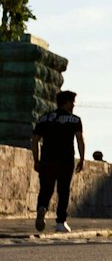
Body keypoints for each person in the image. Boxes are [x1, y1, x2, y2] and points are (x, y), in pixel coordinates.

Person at [31, 89, 85, 233]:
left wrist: (36, 160)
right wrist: (82, 158)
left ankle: (42, 207)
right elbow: (79, 139)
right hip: (66, 160)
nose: (74, 105)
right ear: (67, 103)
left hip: (47, 159)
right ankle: (61, 222)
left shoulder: (44, 118)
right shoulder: (75, 120)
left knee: (45, 189)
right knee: (63, 191)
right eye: (72, 102)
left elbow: (35, 140)